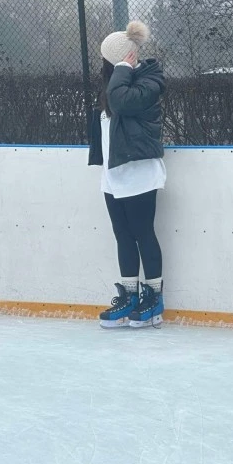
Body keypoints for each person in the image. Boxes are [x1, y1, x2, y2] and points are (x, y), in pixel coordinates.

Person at [88, 20, 167, 329]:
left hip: (140, 174)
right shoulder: (114, 86)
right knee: (123, 235)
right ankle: (131, 295)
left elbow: (123, 102)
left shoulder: (148, 82)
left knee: (143, 232)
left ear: (121, 60)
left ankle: (155, 299)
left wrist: (121, 65)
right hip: (114, 175)